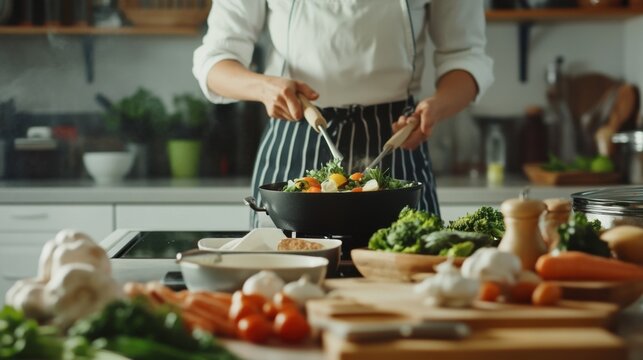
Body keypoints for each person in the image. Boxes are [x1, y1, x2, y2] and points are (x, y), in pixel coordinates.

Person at [193, 0, 493, 227]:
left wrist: (436, 107)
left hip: (397, 137)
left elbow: (465, 55)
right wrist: (263, 88)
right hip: (297, 127)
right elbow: (216, 60)